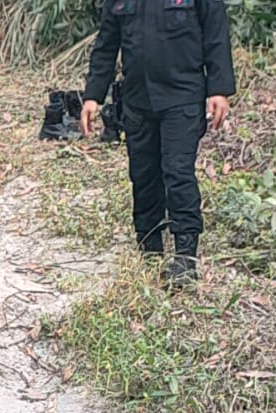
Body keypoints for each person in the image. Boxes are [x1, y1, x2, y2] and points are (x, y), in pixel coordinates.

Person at [80, 0, 235, 285]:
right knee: (143, 175)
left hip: (183, 97)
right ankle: (150, 251)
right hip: (138, 100)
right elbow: (106, 43)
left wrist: (219, 89)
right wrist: (93, 95)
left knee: (177, 173)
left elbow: (216, 34)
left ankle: (186, 256)